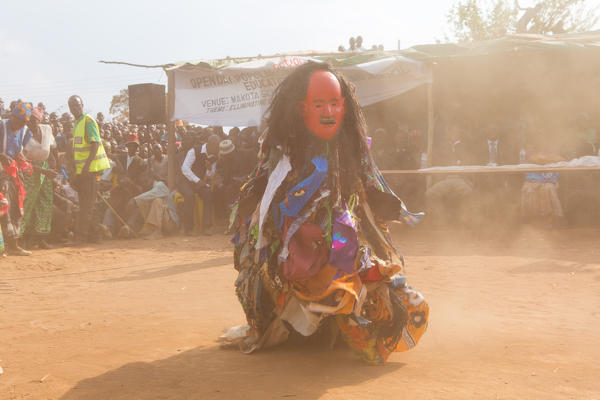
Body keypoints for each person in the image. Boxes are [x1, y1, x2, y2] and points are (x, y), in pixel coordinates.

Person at [224, 62, 428, 364]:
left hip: (344, 236)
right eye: (319, 104)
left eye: (334, 103)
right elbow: (263, 185)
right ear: (300, 108)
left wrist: (389, 206)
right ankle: (301, 332)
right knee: (286, 281)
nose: (328, 111)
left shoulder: (351, 149)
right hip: (292, 240)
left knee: (349, 284)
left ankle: (353, 337)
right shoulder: (282, 151)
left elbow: (369, 181)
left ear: (344, 107)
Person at [68, 95, 110, 244]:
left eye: (77, 105)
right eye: (72, 106)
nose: (74, 108)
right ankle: (96, 235)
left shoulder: (88, 121)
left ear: (82, 105)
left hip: (91, 170)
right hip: (83, 171)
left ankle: (80, 237)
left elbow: (95, 144)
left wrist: (86, 167)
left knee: (86, 205)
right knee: (88, 204)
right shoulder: (77, 123)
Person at [19, 107, 57, 249]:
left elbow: (53, 149)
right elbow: (22, 159)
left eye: (33, 119)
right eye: (28, 119)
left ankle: (41, 237)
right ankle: (20, 238)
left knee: (46, 202)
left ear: (39, 120)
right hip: (29, 169)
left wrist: (54, 167)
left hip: (46, 167)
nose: (29, 122)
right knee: (27, 202)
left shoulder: (47, 129)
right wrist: (43, 171)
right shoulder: (22, 134)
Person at [0, 100, 34, 255]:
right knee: (3, 206)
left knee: (16, 208)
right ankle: (3, 247)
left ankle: (13, 245)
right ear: (12, 116)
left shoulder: (26, 132)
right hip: (1, 172)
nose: (19, 124)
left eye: (22, 122)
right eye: (17, 120)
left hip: (13, 173)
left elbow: (20, 154)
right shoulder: (1, 126)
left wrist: (24, 164)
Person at [179, 134, 219, 235]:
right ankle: (189, 228)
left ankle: (206, 227)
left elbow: (210, 176)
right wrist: (197, 180)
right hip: (185, 181)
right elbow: (185, 169)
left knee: (208, 194)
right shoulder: (194, 151)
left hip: (198, 183)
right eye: (216, 147)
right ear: (210, 144)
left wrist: (209, 169)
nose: (217, 149)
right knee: (189, 196)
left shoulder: (214, 157)